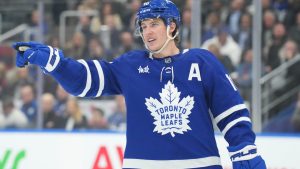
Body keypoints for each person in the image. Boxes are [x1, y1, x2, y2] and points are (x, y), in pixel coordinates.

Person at [12, 0, 266, 168]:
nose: (148, 32)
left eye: (154, 24)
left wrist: (244, 150)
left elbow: (232, 113)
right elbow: (83, 80)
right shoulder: (130, 65)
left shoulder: (202, 62)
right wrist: (54, 62)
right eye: (143, 26)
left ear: (172, 26)